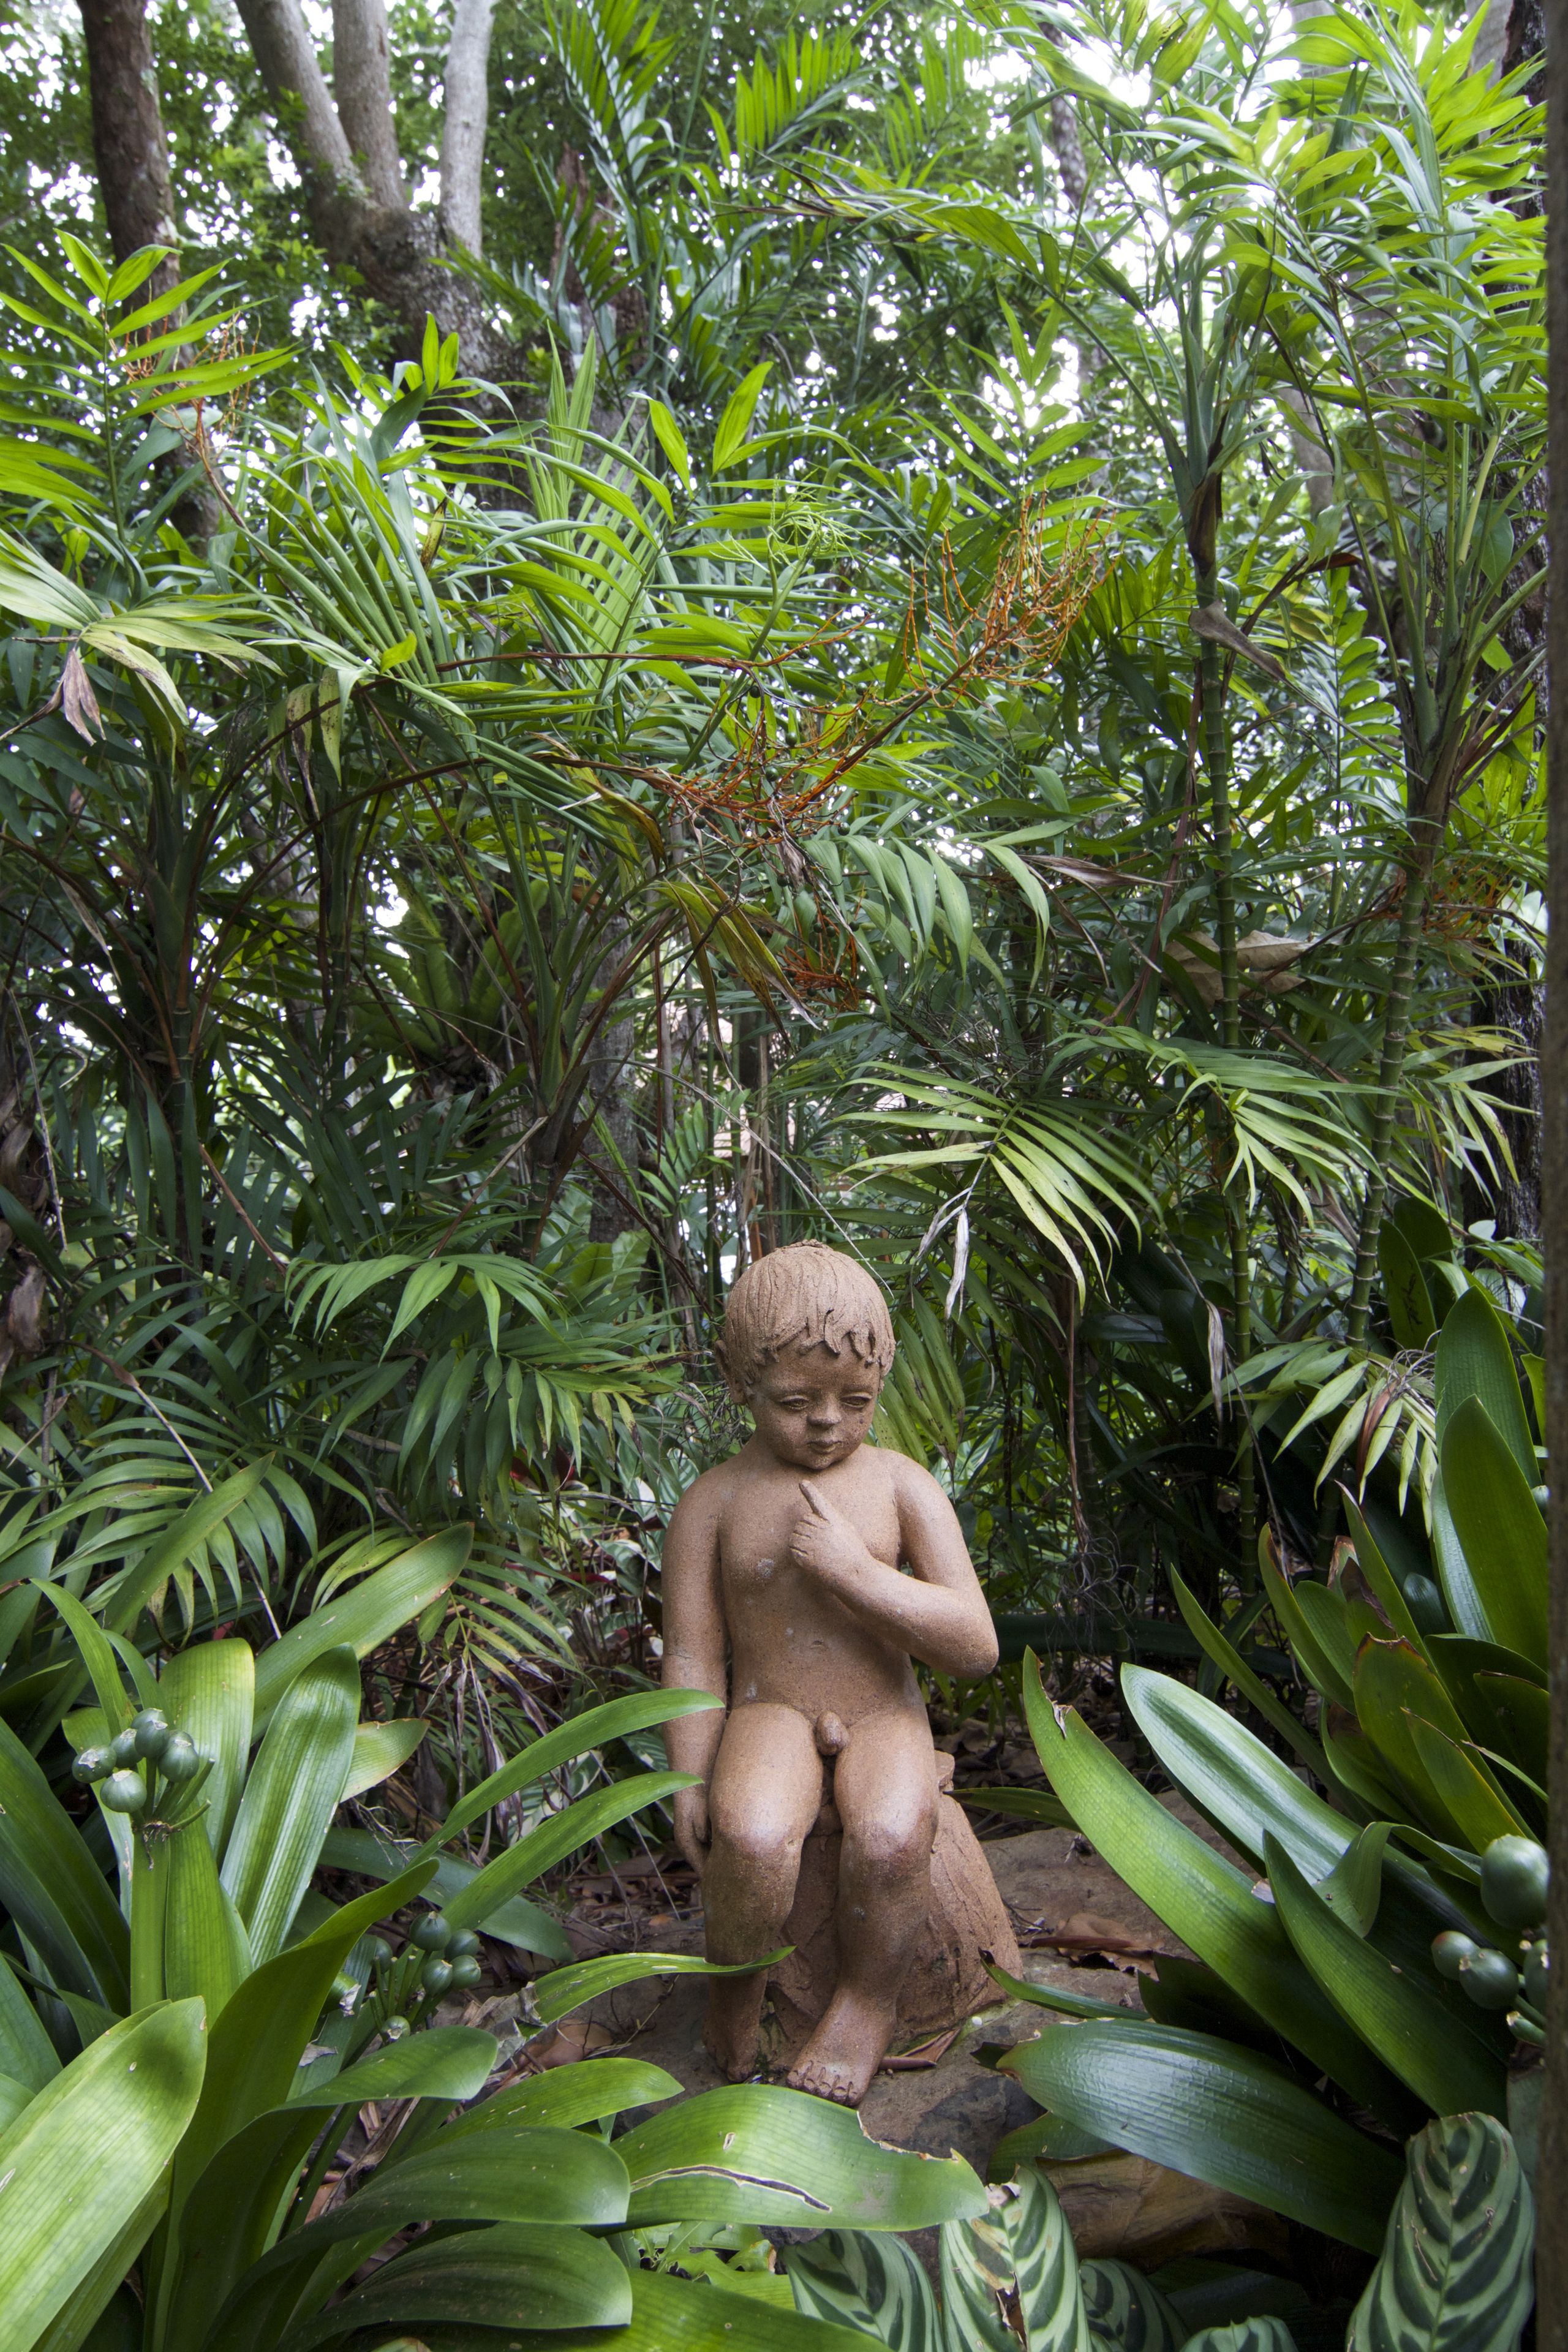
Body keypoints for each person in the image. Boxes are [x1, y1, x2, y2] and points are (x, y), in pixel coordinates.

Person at [660, 1241, 998, 2106]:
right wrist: (689, 1777)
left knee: (891, 1836)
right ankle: (736, 1988)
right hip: (769, 1710)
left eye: (855, 1401)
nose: (826, 1424)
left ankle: (865, 2005)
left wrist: (856, 1574)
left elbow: (974, 1644)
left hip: (882, 1712)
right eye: (795, 1402)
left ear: (883, 1378)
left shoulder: (901, 1486)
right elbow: (692, 1653)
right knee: (751, 1838)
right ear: (738, 1381)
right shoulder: (715, 1502)